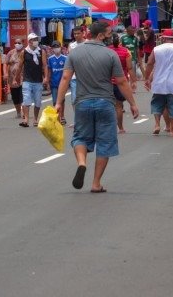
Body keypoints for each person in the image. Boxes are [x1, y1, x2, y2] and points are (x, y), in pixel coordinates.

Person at [54, 21, 139, 193]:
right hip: (105, 103)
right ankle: (96, 183)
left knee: (79, 137)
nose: (111, 37)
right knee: (105, 142)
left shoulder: (74, 53)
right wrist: (132, 103)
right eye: (108, 34)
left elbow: (65, 78)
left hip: (82, 102)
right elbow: (122, 81)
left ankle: (82, 163)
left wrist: (58, 102)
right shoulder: (110, 55)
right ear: (100, 35)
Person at [19, 32, 48, 127]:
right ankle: (26, 119)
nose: (36, 41)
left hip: (38, 80)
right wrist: (16, 77)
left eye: (36, 40)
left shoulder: (41, 52)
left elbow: (45, 65)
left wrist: (46, 77)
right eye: (34, 40)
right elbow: (20, 65)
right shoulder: (24, 52)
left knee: (38, 101)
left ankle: (35, 118)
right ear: (29, 41)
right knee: (26, 100)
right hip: (27, 79)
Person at [108, 33, 136, 133]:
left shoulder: (107, 50)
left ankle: (109, 128)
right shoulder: (126, 52)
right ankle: (120, 128)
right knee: (119, 107)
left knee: (108, 106)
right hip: (121, 82)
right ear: (120, 42)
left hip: (108, 82)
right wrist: (133, 81)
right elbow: (129, 68)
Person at [4, 37, 25, 119]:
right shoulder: (11, 53)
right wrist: (5, 73)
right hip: (12, 79)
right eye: (16, 43)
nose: (17, 44)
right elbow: (5, 63)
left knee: (22, 95)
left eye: (19, 43)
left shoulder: (25, 52)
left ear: (23, 43)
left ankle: (24, 112)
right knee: (15, 96)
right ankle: (18, 112)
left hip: (23, 77)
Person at [47, 41, 67, 124]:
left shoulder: (65, 58)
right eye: (54, 47)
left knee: (62, 100)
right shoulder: (50, 59)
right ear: (52, 49)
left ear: (61, 47)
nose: (56, 48)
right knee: (55, 101)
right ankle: (57, 117)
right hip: (54, 83)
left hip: (62, 83)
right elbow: (49, 71)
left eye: (57, 46)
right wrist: (48, 82)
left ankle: (62, 116)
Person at [68, 26, 85, 102]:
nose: (76, 35)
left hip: (86, 76)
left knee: (84, 99)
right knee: (74, 100)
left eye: (78, 33)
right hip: (74, 77)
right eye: (75, 34)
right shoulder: (71, 45)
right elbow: (71, 59)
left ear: (83, 33)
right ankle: (76, 114)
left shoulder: (87, 43)